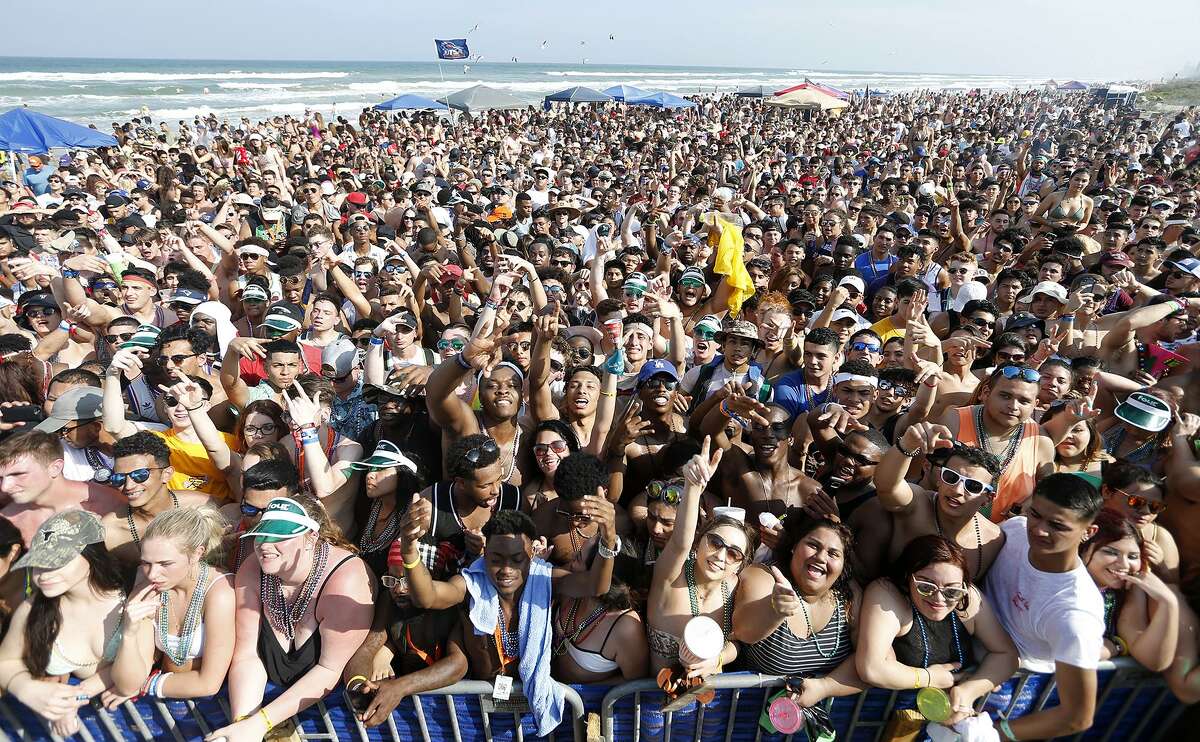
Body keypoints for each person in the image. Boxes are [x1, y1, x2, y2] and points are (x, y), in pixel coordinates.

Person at [208, 493, 375, 742]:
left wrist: (261, 722)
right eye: (262, 534)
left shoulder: (346, 579)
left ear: (311, 538)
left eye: (280, 536)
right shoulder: (253, 568)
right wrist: (243, 724)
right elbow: (247, 655)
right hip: (270, 714)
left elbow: (329, 669)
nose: (265, 544)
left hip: (341, 724)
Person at [983, 473, 1106, 739]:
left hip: (1008, 703)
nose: (1039, 530)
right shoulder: (1015, 529)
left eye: (1057, 526)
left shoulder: (1076, 615)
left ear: (1089, 532)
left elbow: (1077, 718)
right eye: (1035, 514)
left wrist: (993, 735)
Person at [857, 535, 1018, 726]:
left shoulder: (967, 599)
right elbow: (871, 668)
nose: (939, 599)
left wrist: (968, 691)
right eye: (926, 587)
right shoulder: (888, 594)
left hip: (946, 719)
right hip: (883, 718)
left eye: (952, 591)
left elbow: (1007, 655)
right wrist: (930, 678)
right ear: (908, 577)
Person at [0, 510, 126, 737]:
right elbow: (5, 660)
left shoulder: (130, 593)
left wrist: (76, 696)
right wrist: (27, 689)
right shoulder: (33, 608)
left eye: (56, 562)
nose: (44, 575)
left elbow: (150, 658)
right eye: (39, 564)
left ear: (90, 555)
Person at [732, 513, 865, 707]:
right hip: (746, 716)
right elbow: (742, 630)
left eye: (833, 553)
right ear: (794, 546)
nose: (820, 557)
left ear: (843, 564)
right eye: (813, 545)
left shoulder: (849, 595)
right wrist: (774, 609)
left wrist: (823, 688)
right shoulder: (763, 576)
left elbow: (871, 663)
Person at [646, 437, 754, 676]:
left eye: (734, 553)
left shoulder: (737, 586)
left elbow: (738, 643)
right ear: (699, 541)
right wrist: (692, 488)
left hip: (712, 706)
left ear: (740, 564)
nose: (721, 555)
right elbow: (679, 544)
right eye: (715, 542)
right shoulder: (670, 575)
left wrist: (718, 659)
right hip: (653, 706)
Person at [110, 507, 235, 700]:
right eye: (146, 563)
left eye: (165, 564)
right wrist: (129, 632)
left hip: (210, 709)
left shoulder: (220, 591)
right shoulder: (146, 584)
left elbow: (209, 683)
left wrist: (149, 684)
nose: (152, 574)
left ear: (196, 554)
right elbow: (128, 686)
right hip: (167, 704)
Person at [874, 424, 1005, 579]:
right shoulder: (917, 504)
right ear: (939, 480)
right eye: (951, 477)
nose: (957, 490)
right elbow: (886, 486)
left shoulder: (993, 539)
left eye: (973, 486)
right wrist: (907, 445)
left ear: (987, 499)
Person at [100, 431, 217, 567]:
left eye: (140, 475)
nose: (128, 485)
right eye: (119, 478)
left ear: (166, 474)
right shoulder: (110, 531)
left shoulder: (201, 505)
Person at [0, 430, 123, 545]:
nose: (5, 487)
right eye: (1, 478)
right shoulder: (6, 517)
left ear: (55, 468)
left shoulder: (108, 504)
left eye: (18, 474)